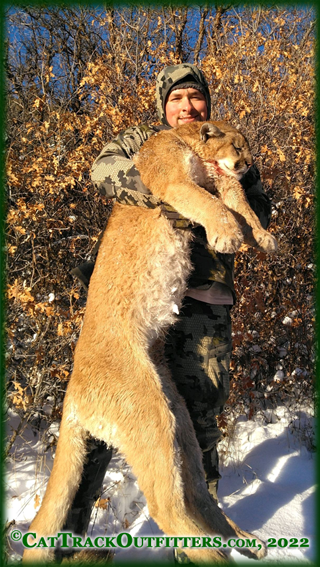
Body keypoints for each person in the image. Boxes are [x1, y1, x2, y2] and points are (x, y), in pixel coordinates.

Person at [68, 63, 271, 549]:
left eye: (195, 98)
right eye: (176, 99)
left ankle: (198, 537)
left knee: (196, 419)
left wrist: (226, 192)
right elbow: (105, 171)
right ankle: (67, 540)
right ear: (164, 106)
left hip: (201, 301)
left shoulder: (231, 153)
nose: (186, 107)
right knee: (100, 423)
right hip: (133, 298)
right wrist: (173, 194)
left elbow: (255, 216)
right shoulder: (146, 141)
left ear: (208, 106)